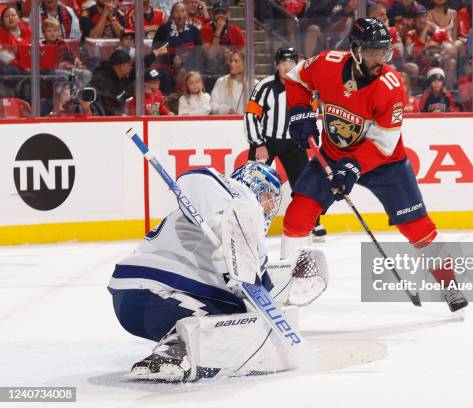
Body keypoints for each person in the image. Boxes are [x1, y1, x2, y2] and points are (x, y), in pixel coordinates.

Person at [282, 18, 468, 312]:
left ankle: (449, 285)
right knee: (297, 215)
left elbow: (384, 143)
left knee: (417, 229)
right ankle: (283, 287)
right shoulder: (326, 64)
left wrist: (353, 167)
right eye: (372, 53)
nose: (380, 59)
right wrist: (300, 111)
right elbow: (294, 78)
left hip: (385, 164)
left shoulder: (390, 86)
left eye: (384, 52)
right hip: (333, 154)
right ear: (355, 50)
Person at [108, 161, 328, 380]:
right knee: (232, 321)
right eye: (267, 195)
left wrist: (290, 275)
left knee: (238, 315)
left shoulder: (252, 241)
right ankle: (174, 350)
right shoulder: (234, 197)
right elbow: (193, 178)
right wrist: (221, 223)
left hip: (156, 300)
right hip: (146, 290)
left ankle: (183, 347)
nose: (271, 206)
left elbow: (258, 292)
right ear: (251, 185)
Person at [245, 47, 327, 241]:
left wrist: (309, 135)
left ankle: (313, 224)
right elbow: (251, 115)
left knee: (304, 184)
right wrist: (258, 144)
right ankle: (248, 224)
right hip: (267, 142)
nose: (287, 67)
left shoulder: (305, 87)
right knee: (252, 181)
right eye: (283, 63)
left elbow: (310, 114)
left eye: (291, 62)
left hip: (293, 142)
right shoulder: (264, 86)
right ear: (277, 65)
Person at [88, 46, 166, 115]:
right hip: (102, 120)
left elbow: (139, 66)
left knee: (134, 131)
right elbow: (106, 103)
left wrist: (155, 53)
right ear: (121, 66)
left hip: (119, 118)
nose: (131, 67)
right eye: (129, 64)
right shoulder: (101, 80)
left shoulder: (123, 75)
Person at [200, 1, 245, 78]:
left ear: (229, 15)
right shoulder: (205, 29)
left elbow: (244, 53)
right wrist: (218, 31)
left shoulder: (235, 30)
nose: (220, 15)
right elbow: (211, 55)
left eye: (223, 13)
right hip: (210, 72)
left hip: (231, 69)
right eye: (217, 13)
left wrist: (232, 55)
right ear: (212, 15)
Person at [210, 50, 246, 114]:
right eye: (231, 61)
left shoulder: (254, 83)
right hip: (225, 122)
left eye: (236, 61)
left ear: (244, 64)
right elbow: (213, 105)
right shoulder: (221, 81)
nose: (232, 64)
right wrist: (227, 110)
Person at [0, 6, 32, 73]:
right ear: (2, 22)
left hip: (31, 65)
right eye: (7, 16)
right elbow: (3, 55)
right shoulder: (1, 34)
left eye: (13, 15)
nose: (10, 18)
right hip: (13, 69)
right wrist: (22, 66)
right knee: (12, 70)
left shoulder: (28, 31)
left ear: (19, 18)